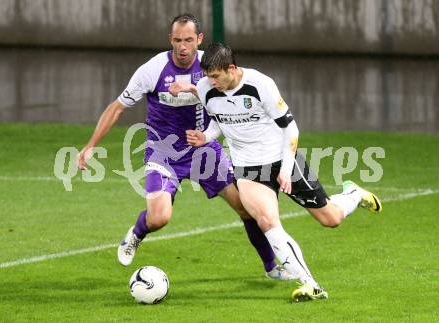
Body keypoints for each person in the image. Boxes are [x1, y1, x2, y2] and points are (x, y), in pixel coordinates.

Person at [77, 14, 292, 280]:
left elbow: (230, 91)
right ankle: (136, 233)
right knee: (159, 217)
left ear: (199, 40)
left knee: (245, 207)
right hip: (163, 152)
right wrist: (90, 145)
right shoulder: (153, 70)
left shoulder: (209, 66)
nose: (182, 46)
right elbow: (118, 107)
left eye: (188, 40)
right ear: (170, 40)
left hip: (204, 150)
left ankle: (272, 267)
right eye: (177, 40)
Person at [169, 42, 382, 302]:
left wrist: (285, 168)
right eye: (207, 77)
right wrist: (205, 136)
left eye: (215, 76)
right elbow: (219, 121)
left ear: (232, 69)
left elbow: (291, 130)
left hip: (281, 159)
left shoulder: (262, 85)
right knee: (267, 221)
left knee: (331, 218)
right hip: (247, 168)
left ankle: (352, 194)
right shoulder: (206, 89)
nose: (210, 82)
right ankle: (310, 284)